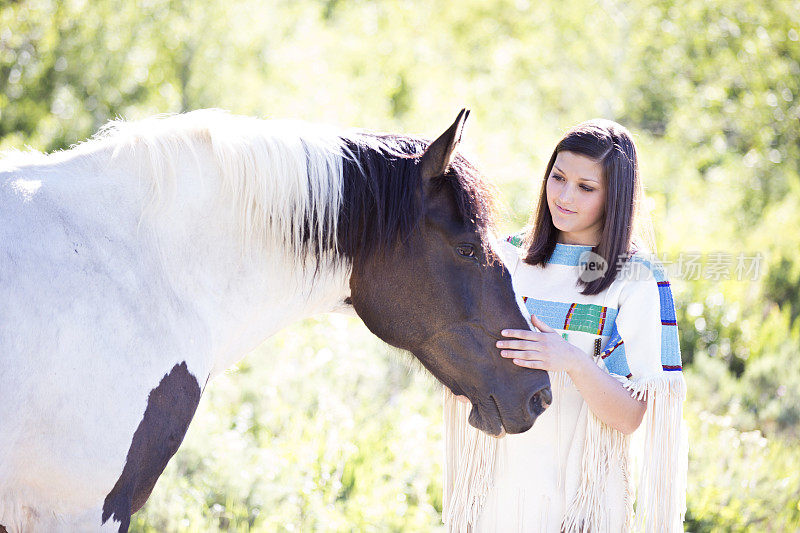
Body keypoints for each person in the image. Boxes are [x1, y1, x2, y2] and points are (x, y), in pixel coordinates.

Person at [441, 119, 688, 532]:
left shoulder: (636, 276)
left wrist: (572, 360)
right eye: (558, 178)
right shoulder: (505, 258)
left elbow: (630, 417)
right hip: (497, 488)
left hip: (582, 496)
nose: (564, 196)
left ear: (616, 196)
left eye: (586, 187)